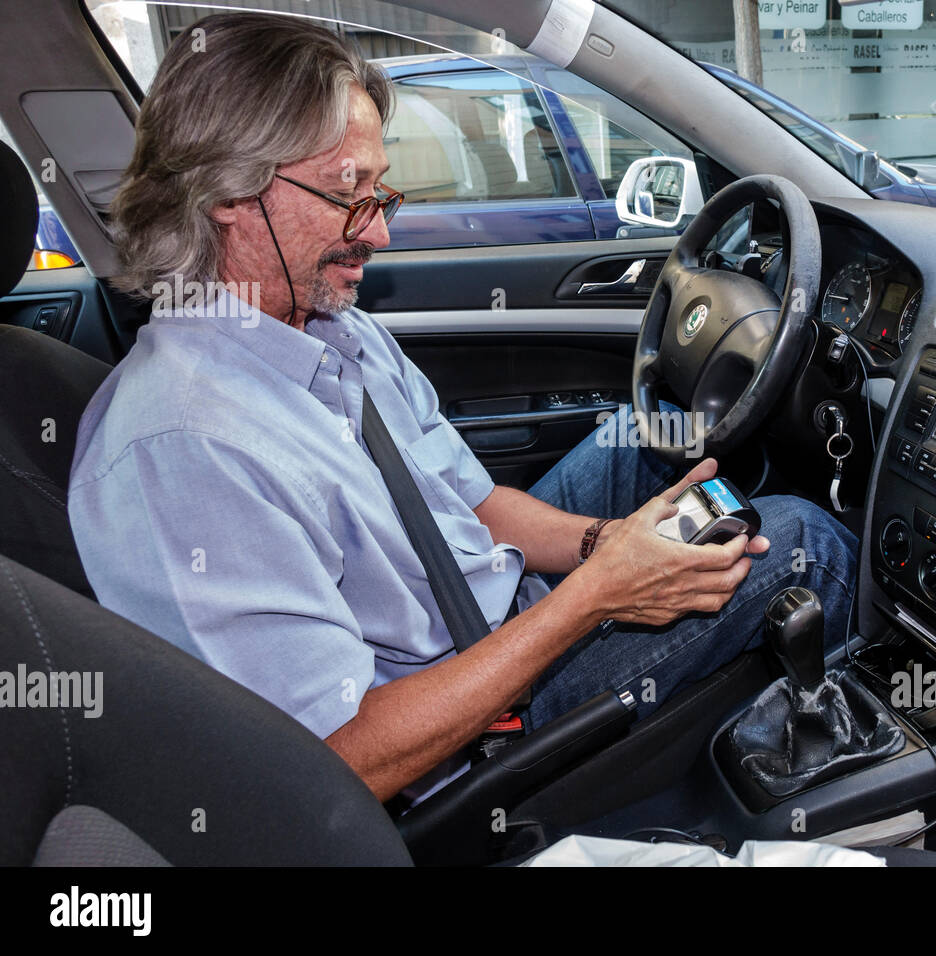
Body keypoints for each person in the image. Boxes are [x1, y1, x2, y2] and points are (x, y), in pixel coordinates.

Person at [69, 13, 858, 803]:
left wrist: (602, 543)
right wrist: (599, 594)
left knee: (650, 446)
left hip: (475, 602)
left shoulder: (331, 331)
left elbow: (473, 506)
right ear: (228, 195)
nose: (377, 232)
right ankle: (857, 778)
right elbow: (331, 764)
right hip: (462, 730)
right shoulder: (183, 452)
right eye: (350, 196)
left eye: (381, 192)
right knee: (802, 539)